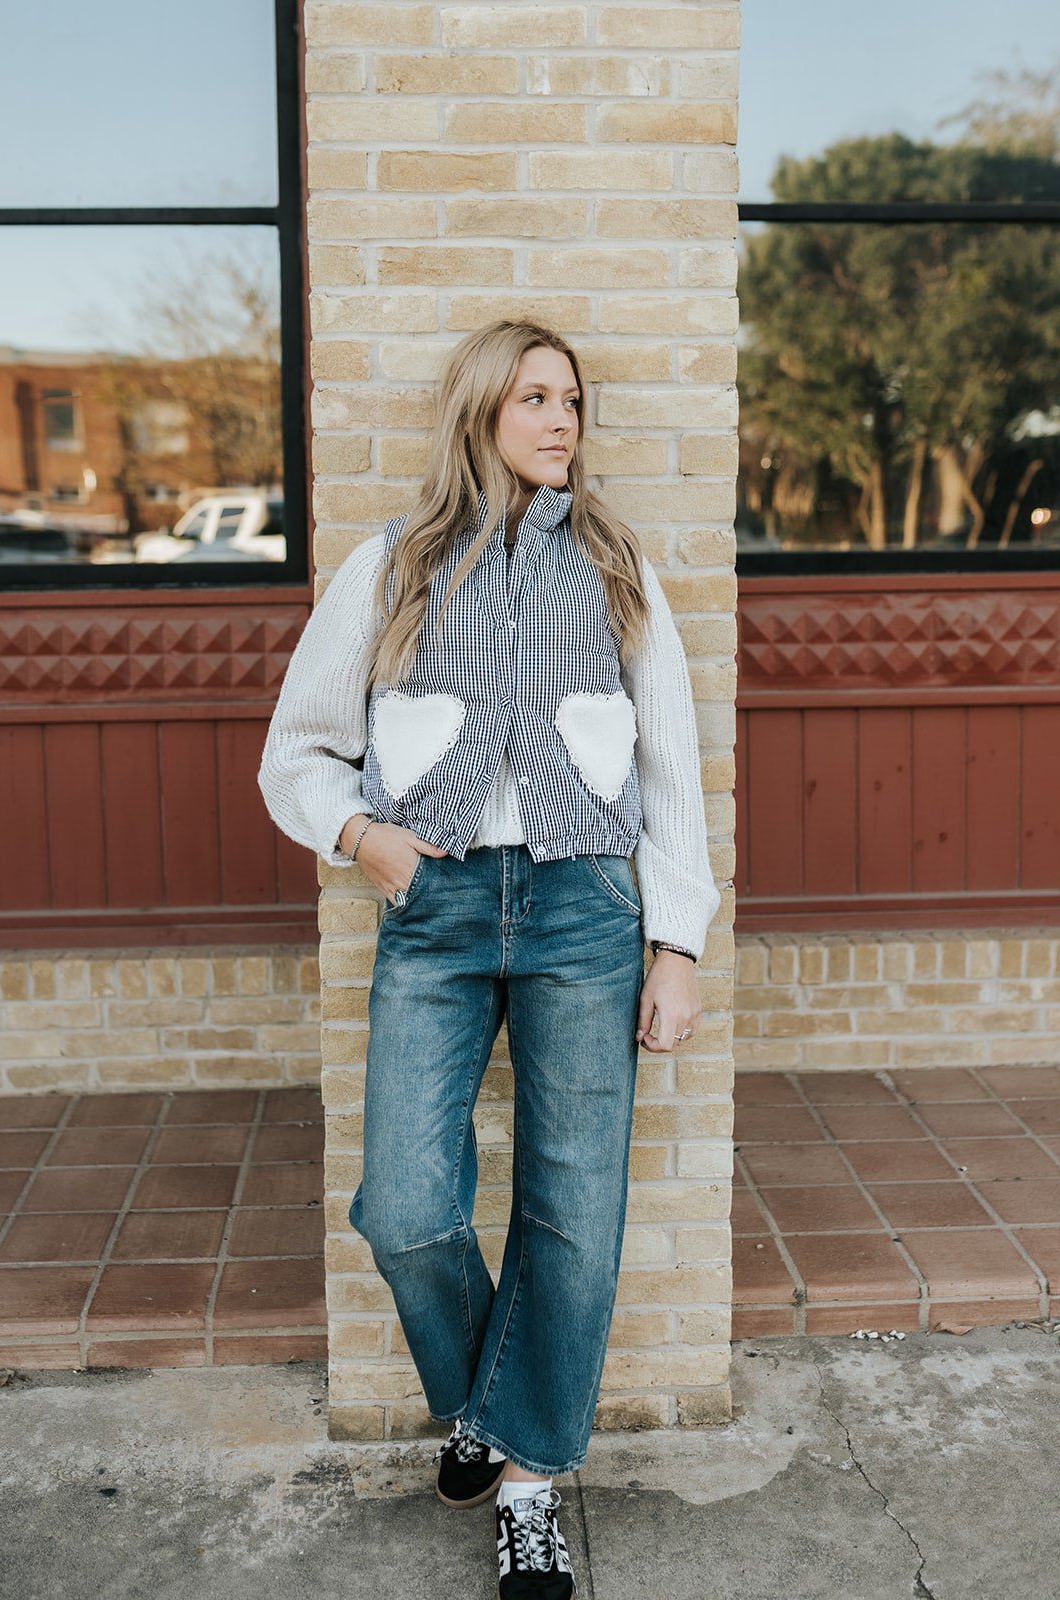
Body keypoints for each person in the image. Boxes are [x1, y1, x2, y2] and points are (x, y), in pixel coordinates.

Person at [258, 318, 721, 1598]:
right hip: (439, 904)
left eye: (571, 399)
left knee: (575, 1203)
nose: (561, 420)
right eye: (534, 399)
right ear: (479, 413)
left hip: (585, 907)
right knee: (406, 1206)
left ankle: (524, 1483)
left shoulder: (616, 566)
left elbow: (672, 770)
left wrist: (675, 942)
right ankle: (490, 1404)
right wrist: (363, 837)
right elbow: (296, 749)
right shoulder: (393, 565)